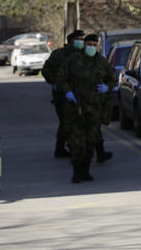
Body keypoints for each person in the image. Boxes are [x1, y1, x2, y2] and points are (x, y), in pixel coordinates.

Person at [58, 33, 115, 183]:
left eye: (94, 45)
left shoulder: (101, 62)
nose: (92, 47)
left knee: (91, 141)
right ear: (84, 45)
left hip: (94, 109)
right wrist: (67, 91)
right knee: (76, 142)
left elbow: (112, 78)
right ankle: (77, 173)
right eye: (89, 44)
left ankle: (86, 171)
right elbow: (61, 77)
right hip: (75, 108)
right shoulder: (73, 60)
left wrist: (107, 87)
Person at [42, 29, 85, 158]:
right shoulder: (59, 54)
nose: (81, 42)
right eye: (78, 39)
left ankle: (72, 146)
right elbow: (46, 70)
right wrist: (55, 82)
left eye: (82, 39)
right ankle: (63, 147)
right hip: (62, 94)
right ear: (71, 41)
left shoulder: (85, 55)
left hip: (80, 93)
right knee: (67, 121)